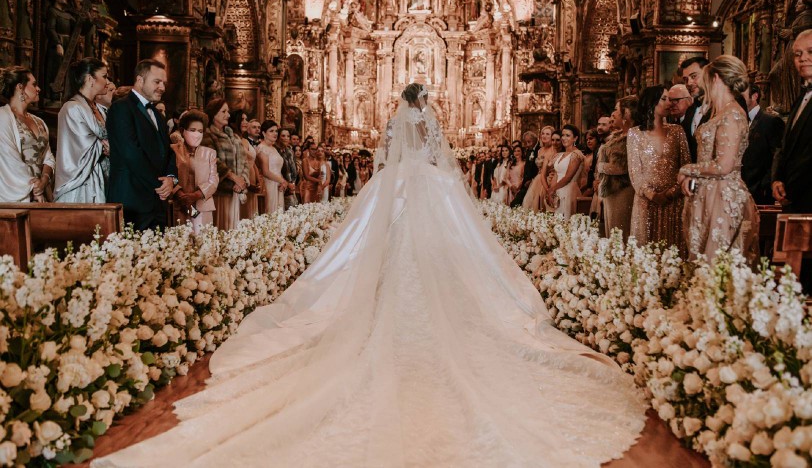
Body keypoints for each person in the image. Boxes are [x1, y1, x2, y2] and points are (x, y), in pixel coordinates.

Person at [94, 83, 645, 467]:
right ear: (424, 113)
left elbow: (378, 205)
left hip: (398, 198)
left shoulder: (387, 178)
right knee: (436, 261)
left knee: (389, 261)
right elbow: (444, 180)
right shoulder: (433, 165)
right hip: (425, 200)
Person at [679, 55, 759, 263]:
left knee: (716, 264)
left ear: (715, 78)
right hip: (707, 193)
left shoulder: (732, 114)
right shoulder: (719, 112)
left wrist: (687, 169)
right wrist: (694, 176)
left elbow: (723, 166)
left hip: (722, 197)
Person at [106, 60, 177, 230]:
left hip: (157, 202)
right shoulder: (120, 109)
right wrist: (160, 184)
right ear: (139, 80)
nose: (163, 88)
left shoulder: (158, 116)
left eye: (164, 83)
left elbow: (168, 152)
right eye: (157, 82)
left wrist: (171, 178)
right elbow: (131, 153)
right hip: (132, 199)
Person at [627, 86, 690, 252]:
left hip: (674, 201)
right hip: (646, 202)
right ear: (650, 103)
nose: (669, 103)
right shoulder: (635, 134)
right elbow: (635, 172)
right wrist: (653, 195)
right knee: (646, 253)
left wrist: (671, 193)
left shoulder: (677, 131)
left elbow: (686, 167)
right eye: (664, 99)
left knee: (673, 252)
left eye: (670, 99)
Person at [772, 28, 812, 291]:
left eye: (810, 52)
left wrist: (793, 186)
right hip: (794, 201)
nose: (802, 59)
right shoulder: (800, 98)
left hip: (809, 197)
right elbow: (786, 146)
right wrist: (777, 178)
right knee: (795, 281)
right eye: (797, 54)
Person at [54, 58, 111, 203]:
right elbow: (80, 147)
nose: (107, 82)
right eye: (104, 76)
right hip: (81, 183)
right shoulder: (72, 108)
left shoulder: (98, 109)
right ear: (90, 79)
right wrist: (104, 145)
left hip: (103, 176)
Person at [0, 67, 55, 202]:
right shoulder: (3, 117)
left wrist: (43, 180)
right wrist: (33, 187)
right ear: (20, 87)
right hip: (18, 194)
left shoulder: (39, 121)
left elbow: (48, 157)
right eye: (34, 84)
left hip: (42, 192)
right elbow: (10, 159)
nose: (39, 89)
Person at [202, 98, 248, 231]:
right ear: (213, 113)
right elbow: (213, 160)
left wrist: (242, 180)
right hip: (220, 190)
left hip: (236, 189)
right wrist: (233, 177)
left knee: (234, 227)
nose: (228, 115)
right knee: (221, 226)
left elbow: (244, 161)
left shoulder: (233, 135)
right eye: (223, 111)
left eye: (228, 111)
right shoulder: (208, 134)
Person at [170, 110, 218, 233]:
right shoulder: (173, 150)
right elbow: (169, 174)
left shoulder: (209, 153)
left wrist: (196, 195)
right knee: (182, 245)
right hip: (180, 205)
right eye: (192, 130)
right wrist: (180, 193)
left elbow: (213, 180)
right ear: (182, 131)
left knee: (204, 244)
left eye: (200, 131)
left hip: (203, 205)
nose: (197, 134)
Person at [597, 98, 636, 241]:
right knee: (611, 230)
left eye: (616, 110)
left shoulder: (631, 137)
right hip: (611, 190)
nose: (613, 113)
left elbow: (621, 167)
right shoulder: (618, 136)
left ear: (626, 114)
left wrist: (601, 167)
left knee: (619, 230)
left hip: (623, 190)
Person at [741, 84, 784, 205]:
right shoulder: (737, 120)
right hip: (741, 189)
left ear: (754, 96)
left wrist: (765, 185)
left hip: (761, 192)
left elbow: (777, 155)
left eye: (742, 96)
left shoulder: (770, 121)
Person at [546, 125, 584, 218]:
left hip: (569, 190)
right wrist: (551, 191)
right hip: (557, 190)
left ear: (575, 138)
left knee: (566, 219)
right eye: (563, 135)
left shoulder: (576, 154)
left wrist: (552, 189)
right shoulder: (560, 155)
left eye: (568, 135)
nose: (564, 138)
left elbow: (568, 177)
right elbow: (556, 174)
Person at [680, 57, 711, 162]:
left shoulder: (722, 107)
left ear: (708, 74)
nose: (688, 83)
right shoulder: (690, 110)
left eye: (694, 76)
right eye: (685, 79)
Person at [522, 126, 557, 211]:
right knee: (530, 204)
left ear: (552, 136)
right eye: (543, 133)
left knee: (543, 205)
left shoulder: (554, 150)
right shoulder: (540, 150)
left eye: (547, 134)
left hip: (549, 178)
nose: (544, 136)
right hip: (538, 179)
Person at [256, 120, 287, 214]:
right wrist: (282, 181)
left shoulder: (274, 149)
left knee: (279, 213)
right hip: (269, 184)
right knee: (270, 211)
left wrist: (282, 182)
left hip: (278, 183)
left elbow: (278, 169)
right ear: (264, 133)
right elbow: (265, 171)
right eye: (271, 131)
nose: (275, 133)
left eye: (276, 131)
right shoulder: (261, 148)